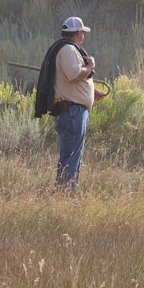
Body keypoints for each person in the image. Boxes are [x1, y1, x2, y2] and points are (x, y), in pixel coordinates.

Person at [40, 15, 97, 192]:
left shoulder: (65, 50)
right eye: (82, 33)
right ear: (78, 34)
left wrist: (92, 91)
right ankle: (66, 191)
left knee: (70, 154)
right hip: (72, 112)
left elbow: (68, 79)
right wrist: (90, 67)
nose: (83, 36)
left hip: (72, 111)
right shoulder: (69, 50)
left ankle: (64, 190)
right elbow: (73, 74)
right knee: (72, 155)